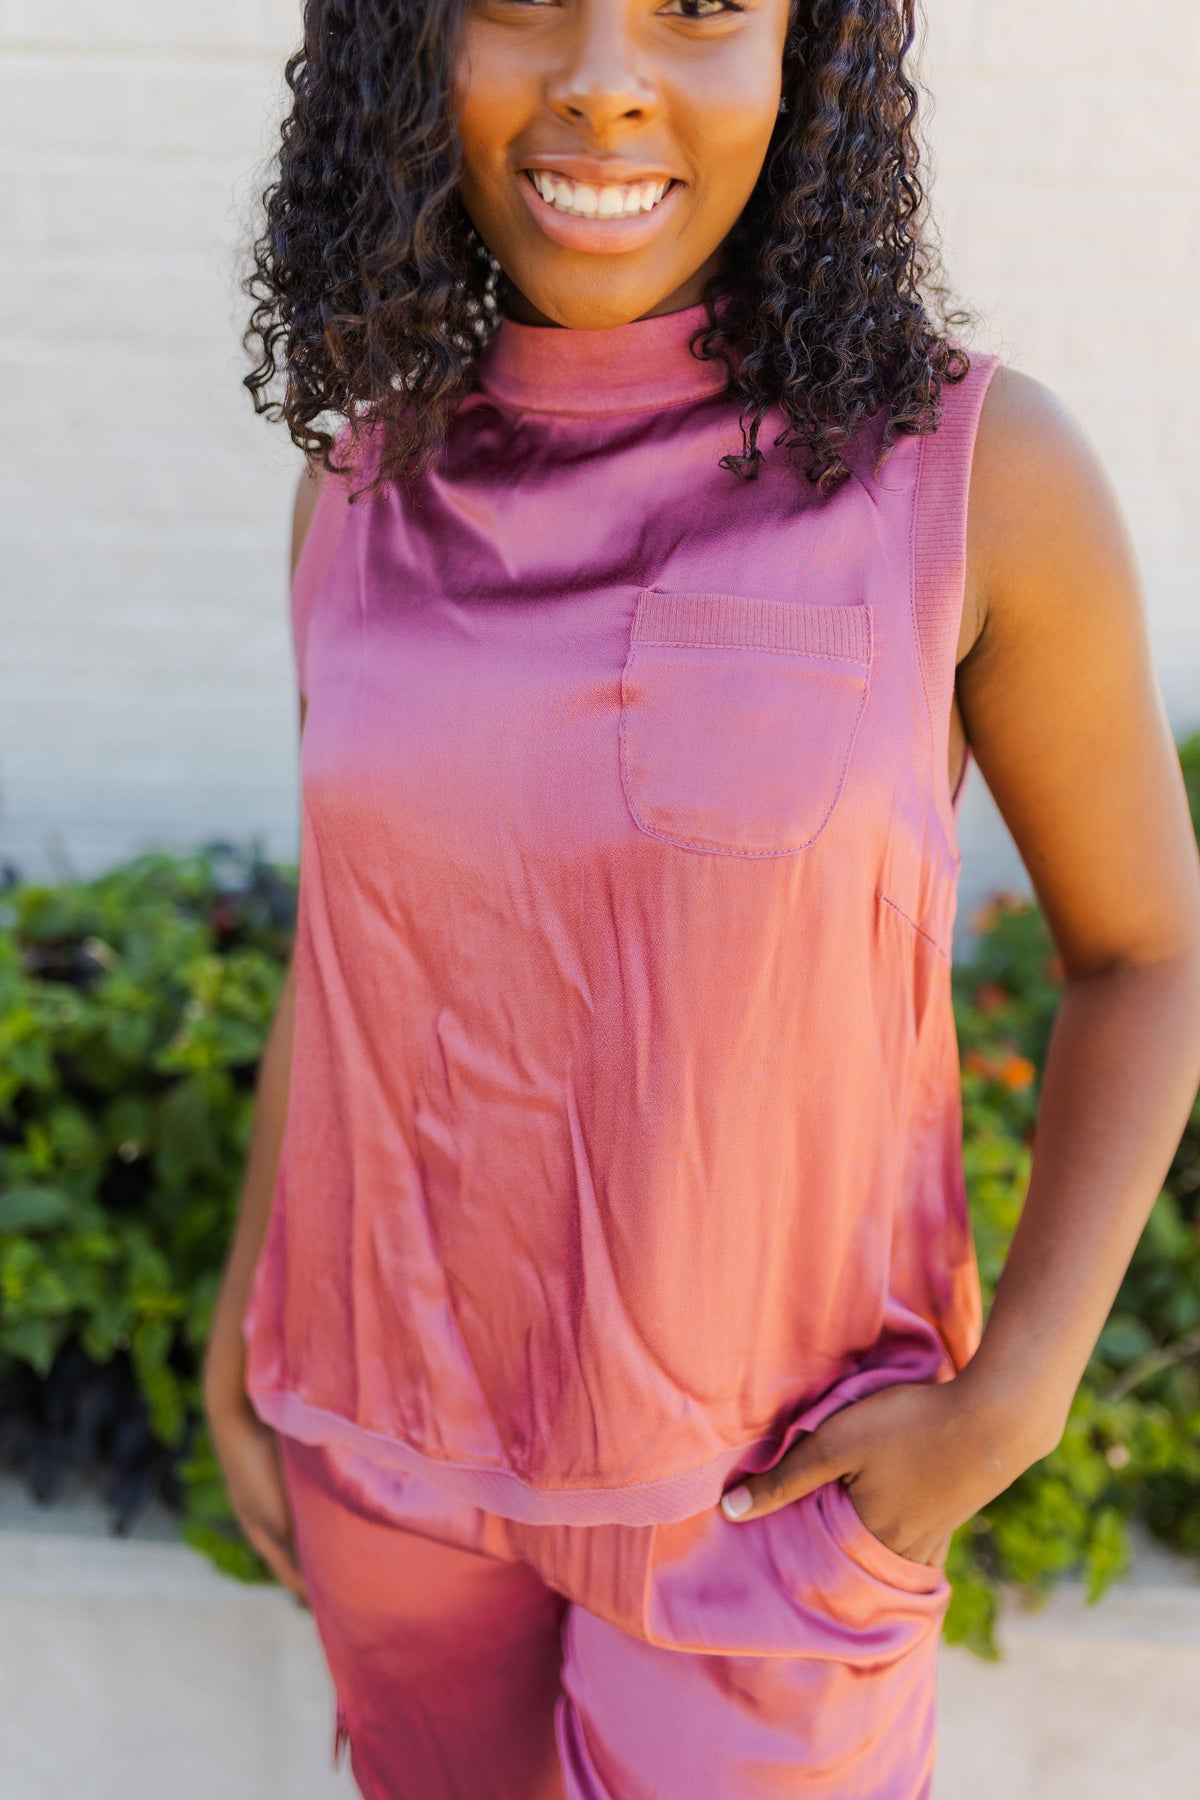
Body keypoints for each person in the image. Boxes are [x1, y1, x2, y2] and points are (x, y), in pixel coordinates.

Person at [202, 0, 1200, 1794]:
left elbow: (1150, 952)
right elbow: (348, 948)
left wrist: (1017, 1396)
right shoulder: (357, 485)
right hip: (384, 1454)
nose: (603, 79)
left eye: (702, 4)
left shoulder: (968, 473)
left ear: (810, 53)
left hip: (770, 1497)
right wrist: (244, 1327)